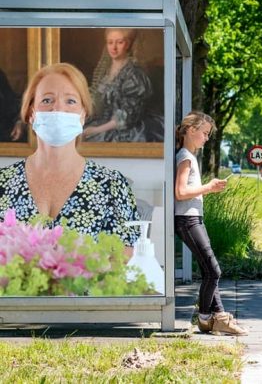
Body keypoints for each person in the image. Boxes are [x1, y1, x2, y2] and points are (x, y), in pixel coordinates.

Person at [0, 63, 140, 253]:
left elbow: (126, 258)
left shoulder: (112, 185)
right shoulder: (3, 183)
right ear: (32, 113)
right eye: (47, 100)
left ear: (83, 114)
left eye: (71, 101)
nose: (58, 108)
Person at [175, 111, 247, 336]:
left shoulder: (188, 155)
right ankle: (207, 318)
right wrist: (209, 187)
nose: (207, 138)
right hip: (188, 220)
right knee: (213, 271)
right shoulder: (185, 157)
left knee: (210, 270)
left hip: (194, 218)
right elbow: (181, 192)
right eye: (204, 133)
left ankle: (217, 318)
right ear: (190, 130)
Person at [83, 28, 161, 142]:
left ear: (127, 44)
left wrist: (96, 130)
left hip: (124, 128)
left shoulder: (134, 74)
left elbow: (127, 116)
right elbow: (97, 99)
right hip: (102, 122)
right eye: (110, 42)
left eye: (119, 42)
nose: (114, 47)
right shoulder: (105, 70)